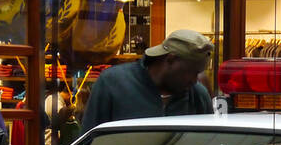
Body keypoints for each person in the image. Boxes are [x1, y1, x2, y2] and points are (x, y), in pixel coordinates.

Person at [81, 29, 214, 133]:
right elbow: (88, 142)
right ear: (171, 60)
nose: (194, 80)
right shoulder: (112, 83)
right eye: (191, 72)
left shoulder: (198, 95)